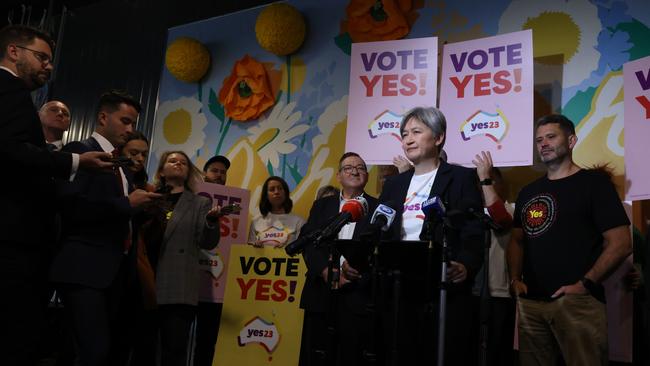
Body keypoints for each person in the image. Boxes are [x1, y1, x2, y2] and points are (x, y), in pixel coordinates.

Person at [0, 24, 111, 365]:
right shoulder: (10, 90)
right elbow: (12, 151)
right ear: (14, 51)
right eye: (42, 57)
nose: (48, 66)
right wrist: (76, 161)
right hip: (13, 240)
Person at [507, 114, 632, 366]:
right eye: (539, 139)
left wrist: (584, 284)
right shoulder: (528, 192)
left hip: (579, 302)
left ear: (572, 140)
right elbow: (516, 240)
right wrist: (515, 279)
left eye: (551, 137)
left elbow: (620, 243)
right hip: (531, 305)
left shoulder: (594, 184)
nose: (543, 143)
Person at [49, 90, 161, 366]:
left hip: (114, 271)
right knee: (92, 350)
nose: (130, 129)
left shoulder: (120, 166)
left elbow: (119, 213)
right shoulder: (79, 151)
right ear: (102, 117)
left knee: (103, 351)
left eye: (133, 123)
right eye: (125, 121)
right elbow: (71, 208)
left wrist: (141, 210)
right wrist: (126, 204)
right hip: (83, 266)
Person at [377, 106, 484, 365]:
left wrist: (466, 265)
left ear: (438, 138)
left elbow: (473, 229)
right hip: (399, 281)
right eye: (404, 134)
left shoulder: (461, 177)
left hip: (441, 281)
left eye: (416, 131)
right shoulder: (394, 184)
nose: (408, 139)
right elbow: (381, 229)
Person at [299, 152, 379, 366]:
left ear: (367, 176)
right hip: (321, 294)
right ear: (338, 176)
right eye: (348, 168)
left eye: (361, 167)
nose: (355, 171)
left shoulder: (378, 208)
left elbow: (378, 249)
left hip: (358, 296)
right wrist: (326, 270)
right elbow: (308, 243)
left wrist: (356, 271)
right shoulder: (322, 206)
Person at [150, 151, 221, 366]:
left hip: (179, 286)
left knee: (174, 351)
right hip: (145, 281)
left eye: (183, 162)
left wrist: (211, 223)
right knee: (144, 348)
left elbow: (208, 243)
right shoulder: (148, 196)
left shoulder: (200, 203)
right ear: (162, 170)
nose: (178, 164)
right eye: (172, 161)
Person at [471, 151, 516, 366]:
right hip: (467, 293)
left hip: (497, 294)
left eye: (488, 182)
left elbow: (500, 220)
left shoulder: (507, 209)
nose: (481, 187)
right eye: (478, 183)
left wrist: (485, 178)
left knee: (495, 355)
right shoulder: (468, 211)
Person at [194, 154, 232, 366]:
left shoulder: (235, 201)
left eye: (223, 172)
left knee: (207, 341)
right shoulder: (191, 195)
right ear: (205, 173)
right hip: (189, 278)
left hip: (216, 284)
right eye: (214, 171)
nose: (219, 175)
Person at [248, 176, 305, 248]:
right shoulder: (256, 220)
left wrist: (286, 248)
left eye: (280, 188)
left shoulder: (299, 221)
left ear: (286, 193)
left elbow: (303, 251)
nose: (276, 192)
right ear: (266, 195)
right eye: (272, 189)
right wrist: (255, 247)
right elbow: (249, 250)